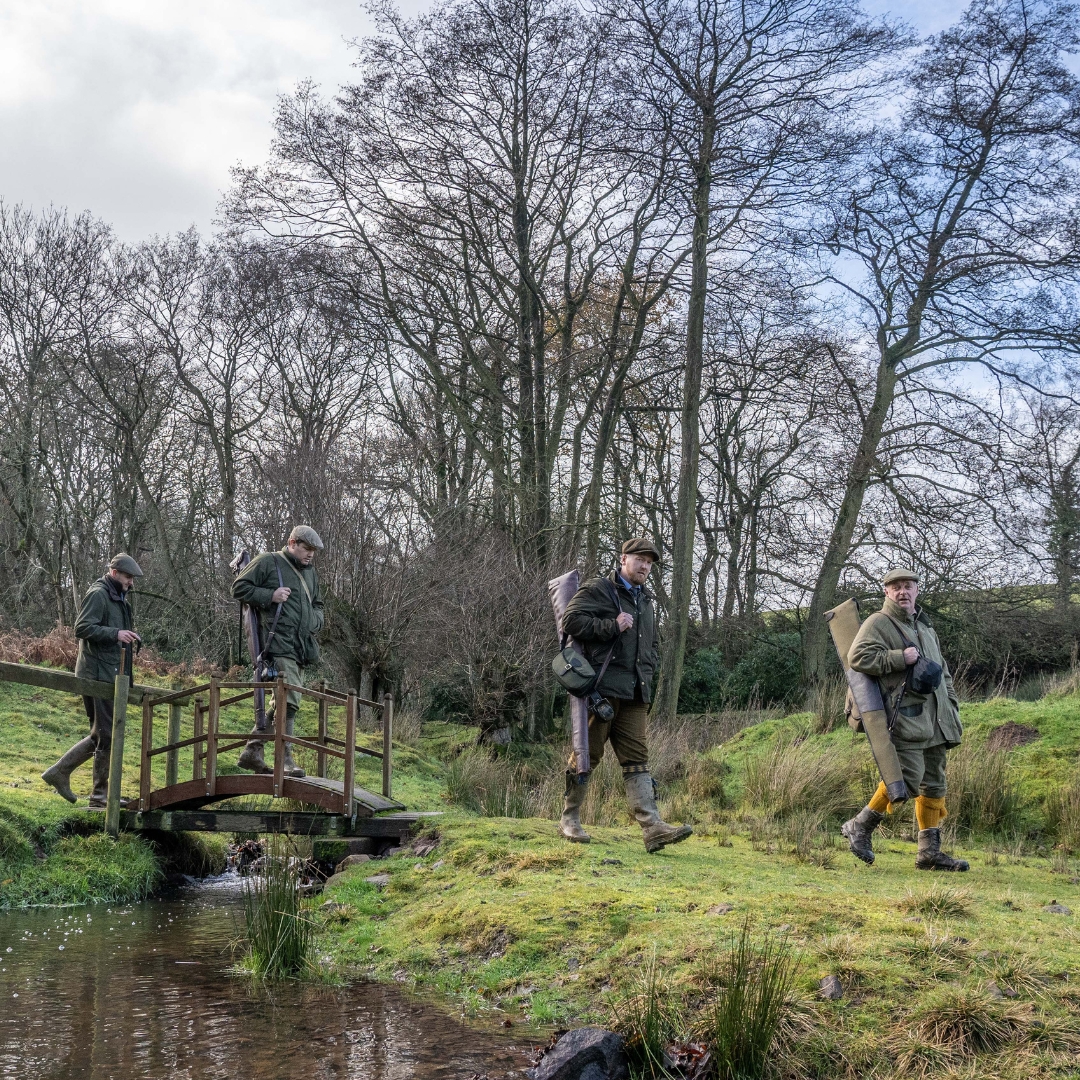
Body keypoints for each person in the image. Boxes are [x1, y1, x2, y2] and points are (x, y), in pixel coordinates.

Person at [559, 538, 693, 853]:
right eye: (640, 559)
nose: (645, 566)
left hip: (636, 693)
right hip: (601, 691)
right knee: (586, 755)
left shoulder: (646, 601)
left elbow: (651, 646)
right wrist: (611, 626)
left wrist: (649, 674)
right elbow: (570, 622)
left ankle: (652, 828)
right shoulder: (599, 590)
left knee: (637, 761)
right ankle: (570, 818)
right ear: (623, 559)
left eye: (650, 562)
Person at [840, 569, 968, 871]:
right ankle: (859, 826)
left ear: (916, 590)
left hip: (937, 718)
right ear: (886, 592)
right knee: (906, 781)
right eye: (895, 587)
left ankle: (929, 853)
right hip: (906, 717)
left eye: (907, 586)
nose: (902, 592)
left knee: (935, 783)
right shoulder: (879, 623)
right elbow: (857, 658)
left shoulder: (925, 627)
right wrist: (899, 658)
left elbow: (943, 670)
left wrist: (951, 703)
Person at [42, 554, 143, 807]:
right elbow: (82, 628)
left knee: (102, 734)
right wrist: (116, 633)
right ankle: (97, 796)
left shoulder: (118, 598)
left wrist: (125, 635)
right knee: (105, 734)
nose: (131, 583)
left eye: (131, 579)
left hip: (109, 675)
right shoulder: (99, 594)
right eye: (128, 577)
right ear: (114, 572)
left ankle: (62, 774)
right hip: (96, 674)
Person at [232, 526, 325, 777]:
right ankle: (284, 760)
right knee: (289, 700)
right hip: (277, 644)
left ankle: (253, 750)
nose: (310, 555)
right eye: (307, 549)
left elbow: (318, 604)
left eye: (313, 551)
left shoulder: (311, 574)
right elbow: (239, 588)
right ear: (292, 543)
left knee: (288, 700)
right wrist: (270, 595)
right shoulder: (268, 561)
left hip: (301, 647)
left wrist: (316, 621)